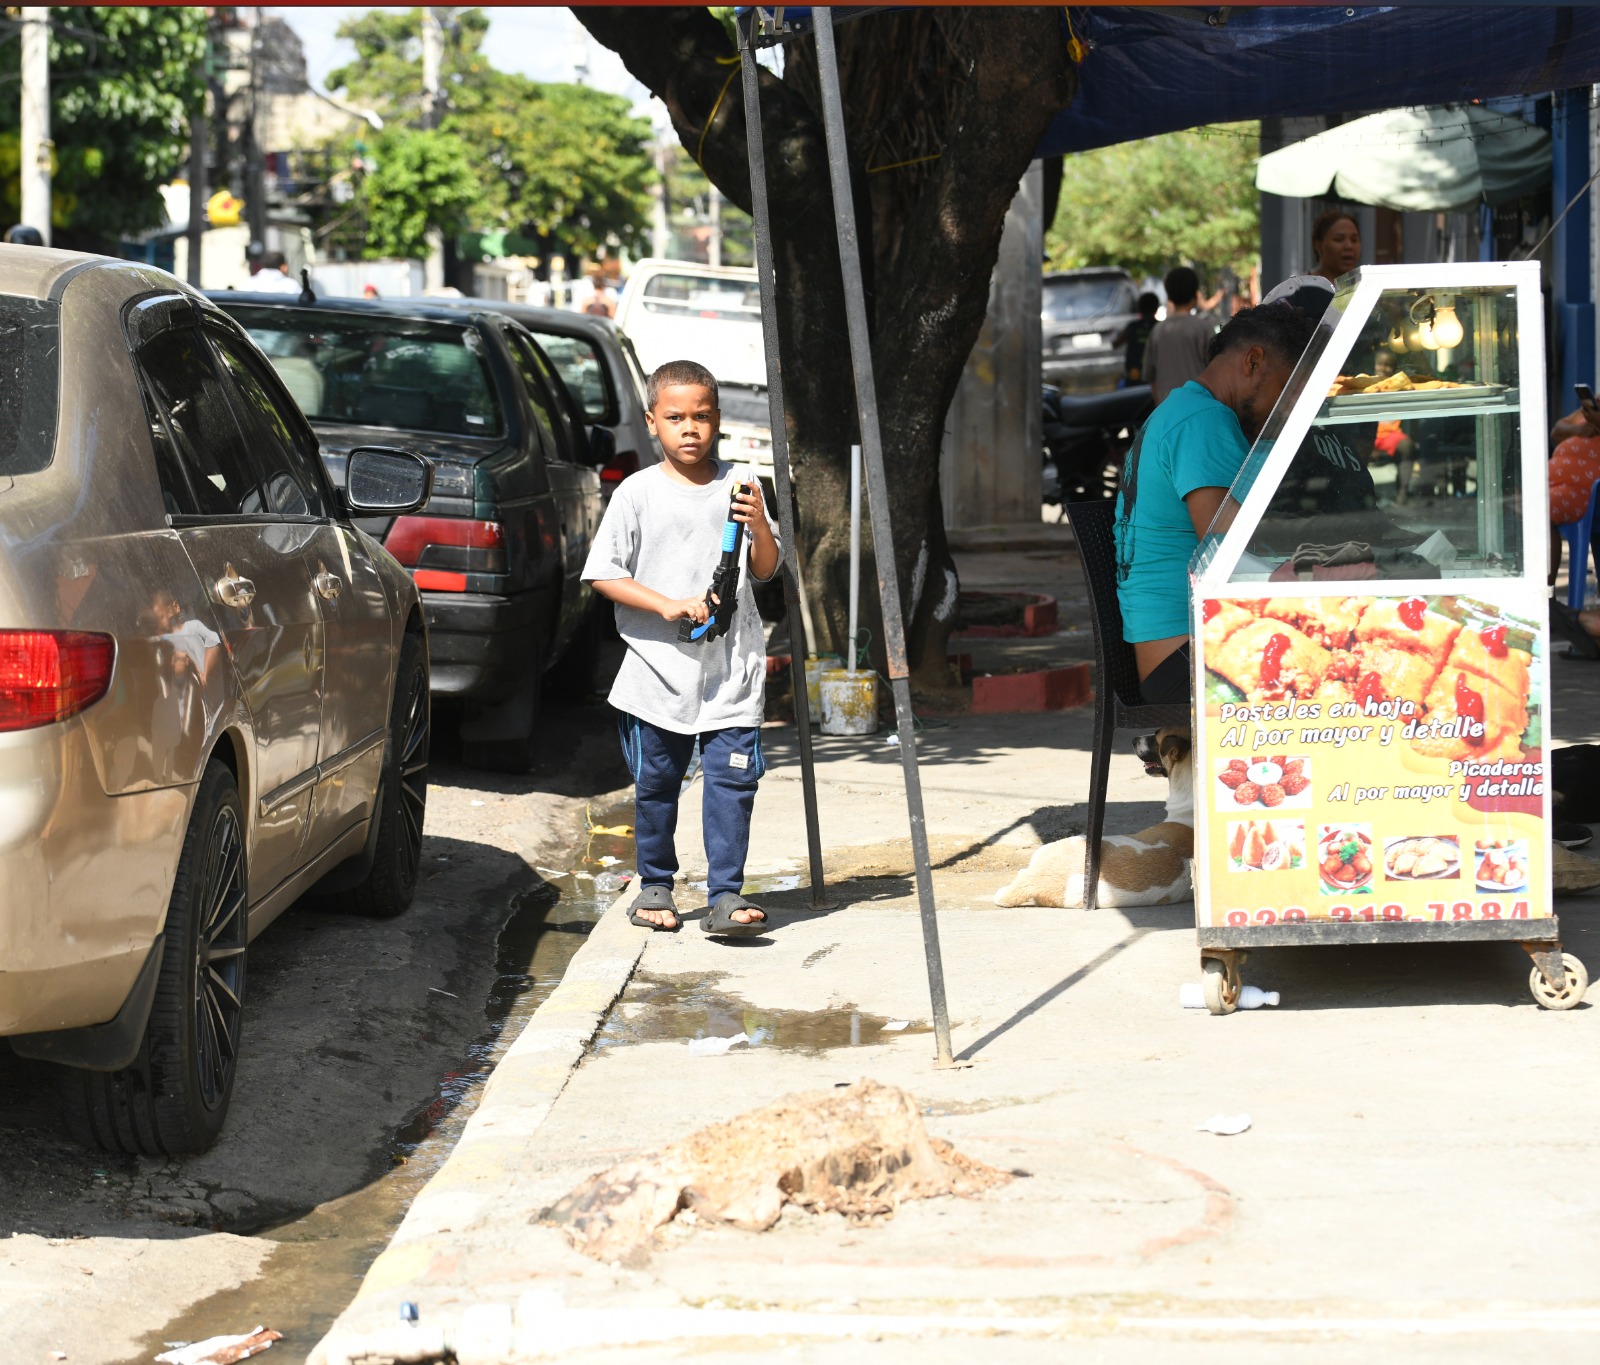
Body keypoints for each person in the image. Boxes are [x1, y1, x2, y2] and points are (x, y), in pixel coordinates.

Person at [582, 359, 782, 938]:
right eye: (675, 418)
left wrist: (761, 525)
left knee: (732, 782)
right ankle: (656, 885)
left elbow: (765, 571)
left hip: (732, 672)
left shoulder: (742, 485)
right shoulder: (637, 494)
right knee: (657, 784)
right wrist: (668, 605)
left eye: (701, 416)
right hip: (657, 673)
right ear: (652, 423)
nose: (689, 429)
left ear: (718, 420)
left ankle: (726, 895)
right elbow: (604, 575)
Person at [1115, 304, 1320, 704]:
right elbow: (1229, 555)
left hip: (1166, 649)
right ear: (1254, 360)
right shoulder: (1204, 422)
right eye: (1287, 389)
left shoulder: (1182, 409)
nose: (1287, 408)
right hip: (1184, 658)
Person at [1144, 266, 1217, 405]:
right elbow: (1216, 370)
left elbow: (1150, 377)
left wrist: (1160, 405)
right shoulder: (1203, 328)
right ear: (1195, 295)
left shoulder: (1157, 331)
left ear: (1169, 294)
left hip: (1168, 410)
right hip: (1199, 406)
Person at [1112, 292, 1160, 385]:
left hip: (1134, 374)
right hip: (1157, 375)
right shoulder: (1160, 327)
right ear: (1156, 308)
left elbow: (1115, 344)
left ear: (1139, 308)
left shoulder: (1132, 327)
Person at [1310, 209, 1361, 283]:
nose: (1349, 246)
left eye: (1354, 239)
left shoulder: (1368, 287)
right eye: (1339, 239)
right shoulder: (1300, 288)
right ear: (1319, 246)